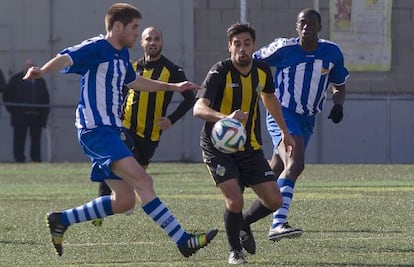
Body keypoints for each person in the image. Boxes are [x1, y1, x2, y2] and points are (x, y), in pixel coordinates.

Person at [23, 3, 217, 257]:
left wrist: (173, 87)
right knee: (143, 180)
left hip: (110, 132)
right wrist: (42, 71)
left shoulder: (122, 55)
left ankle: (62, 219)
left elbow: (134, 81)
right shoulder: (97, 47)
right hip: (96, 130)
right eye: (134, 28)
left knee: (124, 200)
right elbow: (66, 56)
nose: (138, 34)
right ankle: (183, 240)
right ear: (117, 27)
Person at [193, 22, 295, 264]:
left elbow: (269, 98)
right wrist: (225, 118)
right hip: (218, 148)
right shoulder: (220, 71)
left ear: (253, 46)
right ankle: (234, 251)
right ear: (229, 47)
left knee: (274, 200)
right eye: (236, 44)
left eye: (246, 44)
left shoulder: (261, 70)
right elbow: (198, 108)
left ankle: (244, 224)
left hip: (248, 147)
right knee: (235, 200)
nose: (242, 49)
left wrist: (285, 132)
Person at [253, 8, 349, 242]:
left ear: (320, 27)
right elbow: (251, 61)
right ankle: (278, 224)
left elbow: (339, 83)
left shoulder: (332, 52)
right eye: (302, 23)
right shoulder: (284, 48)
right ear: (297, 27)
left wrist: (338, 104)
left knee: (275, 170)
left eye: (312, 23)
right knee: (296, 162)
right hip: (283, 113)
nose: (307, 27)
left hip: (307, 118)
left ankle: (242, 221)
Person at [93, 26, 195, 226]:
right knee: (114, 164)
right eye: (149, 39)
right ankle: (100, 207)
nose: (153, 42)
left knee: (137, 174)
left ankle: (121, 201)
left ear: (162, 43)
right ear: (142, 42)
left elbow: (190, 98)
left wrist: (172, 119)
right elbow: (119, 91)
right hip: (126, 127)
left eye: (157, 39)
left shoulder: (173, 70)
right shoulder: (132, 66)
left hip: (150, 133)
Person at [3, 59, 50, 162]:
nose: (30, 68)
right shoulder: (16, 79)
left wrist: (44, 116)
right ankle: (19, 160)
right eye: (28, 66)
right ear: (24, 67)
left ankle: (36, 160)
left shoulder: (40, 81)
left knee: (36, 141)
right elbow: (7, 96)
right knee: (19, 140)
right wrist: (13, 111)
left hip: (36, 116)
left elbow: (45, 99)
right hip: (20, 116)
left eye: (32, 66)